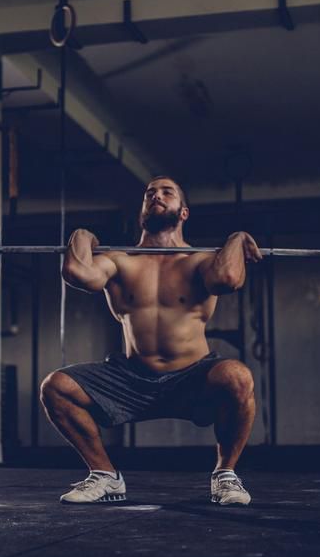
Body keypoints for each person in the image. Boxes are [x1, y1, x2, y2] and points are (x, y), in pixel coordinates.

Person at [40, 176, 261, 506]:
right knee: (55, 387)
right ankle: (104, 476)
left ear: (183, 212)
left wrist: (237, 237)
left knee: (238, 376)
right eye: (150, 193)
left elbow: (229, 278)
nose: (156, 195)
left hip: (193, 378)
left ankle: (225, 475)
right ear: (142, 209)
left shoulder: (202, 261)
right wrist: (81, 235)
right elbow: (77, 274)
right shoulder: (119, 260)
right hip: (131, 379)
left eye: (166, 192)